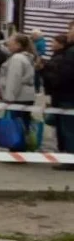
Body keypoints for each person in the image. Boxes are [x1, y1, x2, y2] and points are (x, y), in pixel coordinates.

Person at [41, 22, 74, 169]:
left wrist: (50, 78)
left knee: (68, 129)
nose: (68, 33)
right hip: (66, 95)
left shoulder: (71, 53)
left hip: (67, 97)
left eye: (71, 30)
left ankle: (70, 160)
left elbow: (65, 76)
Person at [0, 32, 38, 133]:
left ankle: (18, 143)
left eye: (11, 41)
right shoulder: (26, 57)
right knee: (24, 124)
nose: (8, 43)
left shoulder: (17, 59)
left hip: (18, 97)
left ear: (18, 45)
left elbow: (13, 80)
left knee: (16, 128)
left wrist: (9, 98)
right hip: (27, 96)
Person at [31, 29, 48, 94]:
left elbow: (42, 52)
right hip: (34, 59)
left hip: (38, 60)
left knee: (36, 74)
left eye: (33, 35)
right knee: (36, 74)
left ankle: (37, 89)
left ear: (37, 35)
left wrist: (36, 54)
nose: (32, 36)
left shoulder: (41, 42)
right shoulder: (35, 41)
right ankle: (36, 88)